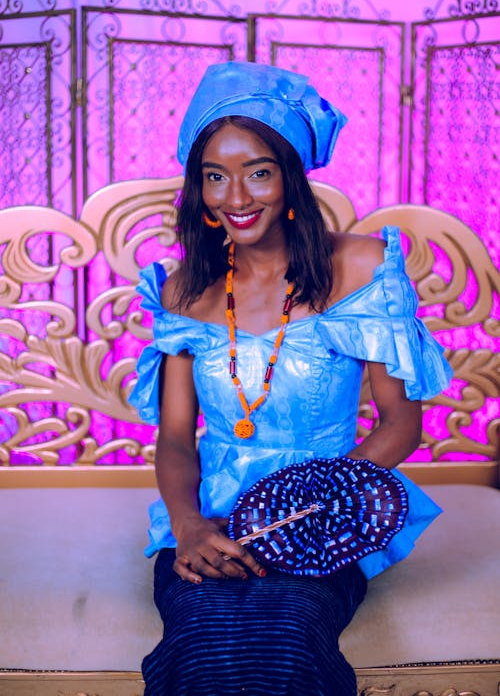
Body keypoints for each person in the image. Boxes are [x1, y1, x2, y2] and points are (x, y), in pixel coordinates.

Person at [130, 61, 453, 696]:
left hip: (326, 515)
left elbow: (402, 425)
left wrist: (306, 514)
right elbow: (174, 438)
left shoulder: (359, 267)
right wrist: (190, 526)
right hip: (211, 520)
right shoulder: (184, 291)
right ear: (199, 189)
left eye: (258, 172)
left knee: (287, 634)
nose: (237, 197)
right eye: (215, 177)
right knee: (204, 640)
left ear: (290, 178)